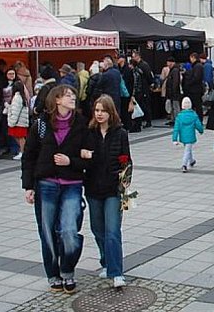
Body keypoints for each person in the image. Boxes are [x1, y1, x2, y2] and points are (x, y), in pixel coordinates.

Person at [21, 85, 88, 294]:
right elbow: (29, 156)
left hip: (72, 185)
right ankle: (53, 275)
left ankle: (67, 270)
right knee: (47, 233)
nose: (72, 98)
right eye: (68, 95)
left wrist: (71, 161)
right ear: (56, 100)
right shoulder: (41, 125)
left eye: (72, 95)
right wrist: (28, 186)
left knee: (69, 232)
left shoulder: (81, 123)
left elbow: (88, 156)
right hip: (46, 184)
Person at [81, 94, 130, 288]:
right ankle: (106, 262)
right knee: (97, 229)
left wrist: (124, 186)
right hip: (93, 188)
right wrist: (83, 155)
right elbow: (82, 158)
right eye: (97, 110)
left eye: (103, 110)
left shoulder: (120, 133)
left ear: (111, 112)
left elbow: (126, 161)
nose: (100, 114)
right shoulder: (89, 133)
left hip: (113, 190)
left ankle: (116, 271)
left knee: (112, 231)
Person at [173, 97, 204, 172]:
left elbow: (176, 128)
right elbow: (198, 125)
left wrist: (174, 139)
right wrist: (201, 130)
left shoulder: (179, 116)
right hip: (190, 136)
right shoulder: (194, 115)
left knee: (188, 149)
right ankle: (184, 164)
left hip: (183, 136)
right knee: (187, 150)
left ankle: (192, 160)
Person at [131, 51, 154, 128]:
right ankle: (140, 121)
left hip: (144, 88)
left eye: (134, 56)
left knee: (145, 105)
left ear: (138, 56)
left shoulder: (144, 65)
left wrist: (150, 84)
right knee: (140, 105)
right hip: (140, 89)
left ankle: (148, 121)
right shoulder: (137, 65)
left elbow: (149, 76)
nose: (133, 58)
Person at [7, 81, 29, 160]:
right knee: (20, 137)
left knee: (20, 137)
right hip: (22, 121)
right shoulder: (22, 97)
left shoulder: (17, 98)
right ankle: (24, 151)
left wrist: (12, 121)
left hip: (18, 122)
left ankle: (23, 152)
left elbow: (16, 110)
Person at [182, 52, 205, 119]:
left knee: (197, 105)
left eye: (191, 58)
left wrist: (189, 82)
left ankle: (199, 119)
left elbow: (196, 78)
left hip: (195, 90)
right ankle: (197, 118)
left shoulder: (197, 66)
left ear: (193, 58)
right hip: (196, 89)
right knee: (197, 105)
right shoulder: (197, 66)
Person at [129, 58, 147, 131]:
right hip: (140, 92)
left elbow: (134, 84)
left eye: (129, 64)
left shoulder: (135, 73)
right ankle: (138, 125)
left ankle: (136, 126)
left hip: (136, 93)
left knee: (135, 109)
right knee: (138, 108)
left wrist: (132, 94)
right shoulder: (139, 71)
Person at [163, 58, 182, 126]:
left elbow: (175, 82)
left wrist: (173, 91)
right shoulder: (173, 70)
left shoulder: (175, 70)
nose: (168, 65)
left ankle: (177, 120)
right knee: (172, 107)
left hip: (174, 93)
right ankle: (173, 119)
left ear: (172, 62)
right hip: (171, 93)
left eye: (168, 63)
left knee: (175, 107)